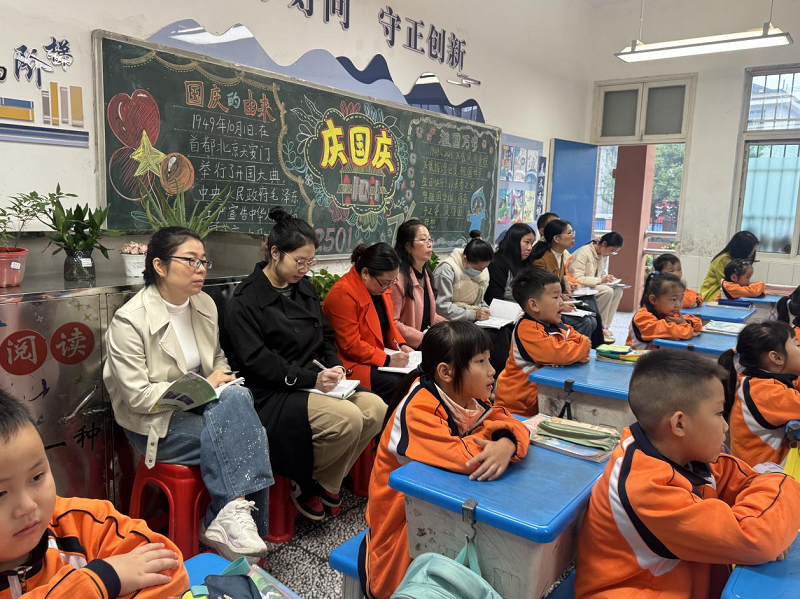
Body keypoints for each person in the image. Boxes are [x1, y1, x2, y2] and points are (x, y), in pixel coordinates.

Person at [104, 227, 273, 562]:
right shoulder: (130, 321)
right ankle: (232, 524)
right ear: (160, 266)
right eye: (191, 261)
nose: (201, 269)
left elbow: (217, 358)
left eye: (204, 261)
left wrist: (222, 380)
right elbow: (138, 397)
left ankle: (231, 518)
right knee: (249, 435)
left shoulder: (204, 304)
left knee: (238, 399)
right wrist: (206, 385)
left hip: (202, 407)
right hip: (153, 423)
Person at [575, 349, 800, 599]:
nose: (726, 426)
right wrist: (776, 516)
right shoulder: (646, 487)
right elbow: (757, 538)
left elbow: (752, 485)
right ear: (679, 424)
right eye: (719, 414)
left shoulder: (688, 455)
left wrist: (774, 524)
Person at [224, 208, 387, 521]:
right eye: (299, 261)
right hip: (273, 392)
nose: (305, 269)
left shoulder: (305, 289)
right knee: (349, 419)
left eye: (310, 262)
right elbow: (256, 361)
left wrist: (334, 367)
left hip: (314, 380)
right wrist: (310, 379)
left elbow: (326, 336)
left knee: (376, 409)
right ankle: (305, 479)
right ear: (275, 253)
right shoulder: (246, 300)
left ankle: (323, 481)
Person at [358, 321, 530, 599]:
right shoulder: (418, 408)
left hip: (438, 499)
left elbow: (512, 423)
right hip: (400, 521)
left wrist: (506, 443)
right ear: (446, 372)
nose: (492, 370)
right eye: (481, 362)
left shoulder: (467, 397)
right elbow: (465, 458)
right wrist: (497, 439)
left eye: (489, 359)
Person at [0, 389, 187, 598]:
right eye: (0, 494)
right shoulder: (102, 577)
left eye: (36, 477)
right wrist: (101, 581)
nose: (28, 505)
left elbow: (170, 570)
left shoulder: (79, 523)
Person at [323, 243, 414, 403]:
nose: (388, 287)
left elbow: (389, 325)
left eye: (393, 281)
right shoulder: (343, 293)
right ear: (365, 273)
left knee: (415, 376)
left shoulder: (378, 287)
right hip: (351, 362)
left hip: (376, 355)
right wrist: (387, 360)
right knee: (396, 383)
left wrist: (402, 344)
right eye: (385, 282)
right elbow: (351, 345)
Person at [494, 268, 590, 416]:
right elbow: (561, 354)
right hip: (516, 407)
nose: (562, 302)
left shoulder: (555, 324)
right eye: (555, 297)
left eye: (561, 296)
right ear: (534, 305)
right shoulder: (526, 329)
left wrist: (578, 349)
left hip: (542, 400)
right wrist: (579, 348)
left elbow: (579, 341)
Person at [718, 321, 800, 468]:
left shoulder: (755, 378)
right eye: (797, 345)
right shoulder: (765, 392)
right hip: (762, 474)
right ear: (776, 358)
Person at [531, 219, 602, 346]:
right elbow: (540, 292)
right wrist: (560, 305)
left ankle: (586, 350)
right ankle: (571, 351)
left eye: (572, 232)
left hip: (554, 301)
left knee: (593, 318)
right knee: (586, 322)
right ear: (556, 239)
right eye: (569, 233)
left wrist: (562, 296)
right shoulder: (541, 259)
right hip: (543, 307)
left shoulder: (561, 255)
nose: (573, 236)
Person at [483, 223, 537, 374]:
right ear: (514, 241)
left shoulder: (526, 263)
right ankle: (507, 375)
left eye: (532, 243)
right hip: (504, 314)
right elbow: (494, 299)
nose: (529, 248)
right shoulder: (497, 263)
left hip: (522, 311)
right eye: (526, 242)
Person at [390, 219, 445, 349]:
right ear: (408, 247)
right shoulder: (397, 278)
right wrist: (424, 338)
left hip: (425, 340)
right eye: (423, 240)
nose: (429, 244)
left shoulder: (426, 273)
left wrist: (449, 325)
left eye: (430, 239)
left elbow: (427, 315)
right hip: (407, 346)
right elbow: (393, 322)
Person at [568, 232, 625, 342]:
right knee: (607, 291)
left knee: (618, 290)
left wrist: (607, 278)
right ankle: (600, 328)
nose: (611, 254)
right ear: (604, 244)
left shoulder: (602, 255)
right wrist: (601, 280)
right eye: (612, 250)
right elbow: (576, 278)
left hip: (591, 286)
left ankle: (606, 326)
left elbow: (600, 273)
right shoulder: (583, 252)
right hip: (578, 288)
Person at [627, 272, 702, 350]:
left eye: (681, 299)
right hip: (636, 357)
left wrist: (686, 322)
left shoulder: (668, 313)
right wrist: (685, 325)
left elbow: (698, 323)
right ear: (653, 300)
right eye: (674, 299)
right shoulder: (642, 318)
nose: (678, 305)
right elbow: (679, 333)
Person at [433, 230, 493, 322]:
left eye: (484, 268)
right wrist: (473, 314)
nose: (481, 271)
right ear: (465, 259)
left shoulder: (483, 269)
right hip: (450, 321)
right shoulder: (446, 270)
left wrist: (485, 309)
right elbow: (442, 307)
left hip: (474, 318)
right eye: (477, 268)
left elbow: (478, 299)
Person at [700, 231, 759, 302]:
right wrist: (753, 289)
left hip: (727, 296)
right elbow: (729, 286)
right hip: (713, 297)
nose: (752, 254)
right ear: (742, 250)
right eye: (750, 252)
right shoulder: (723, 260)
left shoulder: (736, 261)